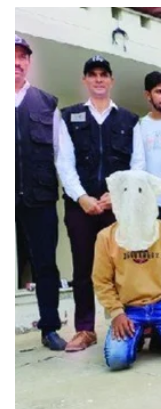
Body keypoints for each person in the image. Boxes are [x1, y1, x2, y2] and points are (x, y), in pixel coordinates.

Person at [56, 54, 144, 352]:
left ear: (111, 80)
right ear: (84, 80)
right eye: (92, 74)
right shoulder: (69, 117)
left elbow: (137, 165)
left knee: (124, 266)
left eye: (103, 74)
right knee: (83, 269)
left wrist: (117, 195)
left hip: (118, 206)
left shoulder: (130, 120)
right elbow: (64, 162)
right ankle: (85, 329)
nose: (98, 79)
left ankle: (130, 324)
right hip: (80, 206)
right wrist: (81, 197)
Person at [93, 171, 161, 371]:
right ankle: (137, 335)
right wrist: (116, 313)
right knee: (117, 360)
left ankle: (157, 333)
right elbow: (102, 282)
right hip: (128, 308)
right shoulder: (105, 237)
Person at [15, 34, 66, 350]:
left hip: (40, 198)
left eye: (22, 56)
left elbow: (61, 156)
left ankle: (49, 328)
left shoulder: (47, 104)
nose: (16, 62)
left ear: (29, 62)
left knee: (45, 264)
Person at [135, 71, 161, 222]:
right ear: (148, 95)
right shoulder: (140, 125)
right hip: (151, 203)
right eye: (159, 92)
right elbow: (137, 164)